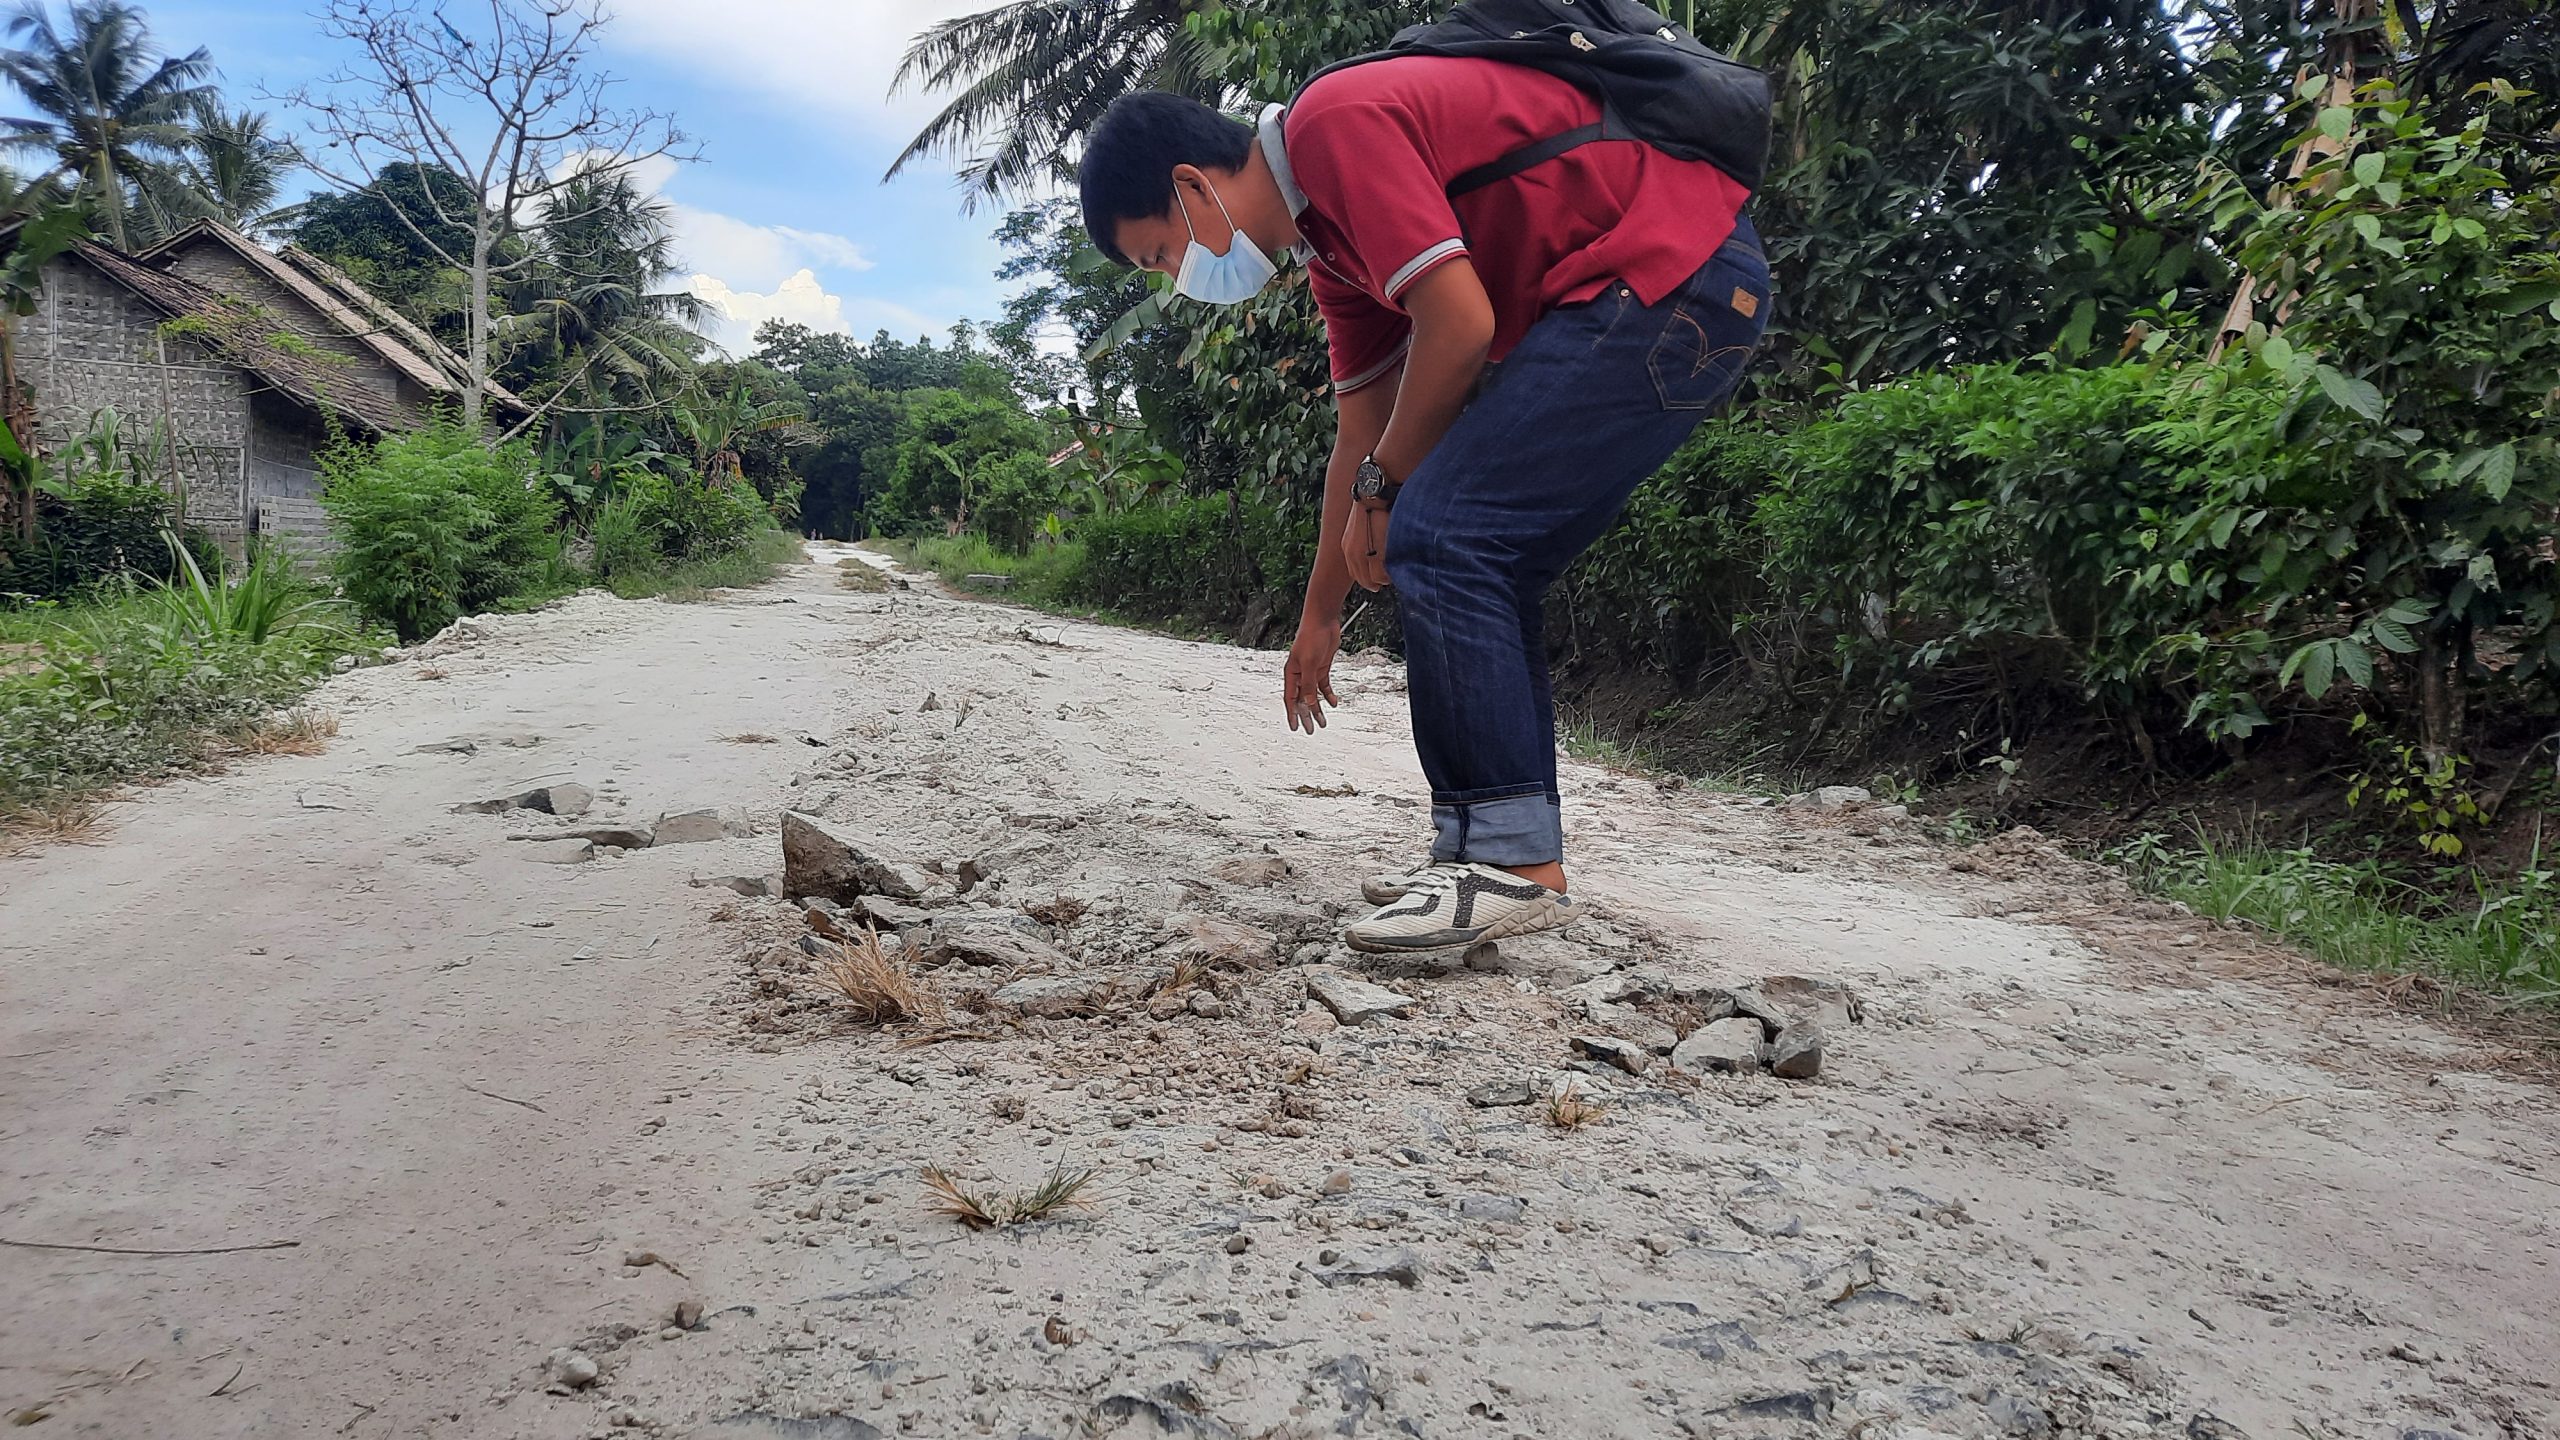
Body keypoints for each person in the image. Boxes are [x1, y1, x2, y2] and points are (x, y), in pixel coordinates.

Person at [1078, 52, 1769, 954]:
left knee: (1446, 532)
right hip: (1664, 293)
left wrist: (1387, 491)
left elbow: (1461, 326)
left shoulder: (1333, 126)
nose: (1178, 277)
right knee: (1478, 550)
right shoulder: (1331, 251)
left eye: (1161, 252)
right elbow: (1358, 436)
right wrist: (1319, 614)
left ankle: (1515, 866)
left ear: (1192, 187)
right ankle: (1484, 846)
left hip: (1674, 276)